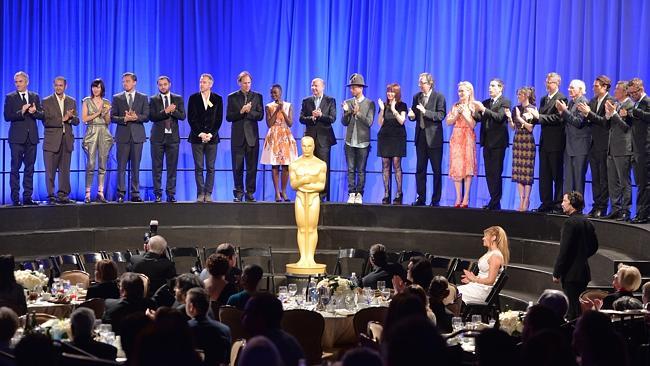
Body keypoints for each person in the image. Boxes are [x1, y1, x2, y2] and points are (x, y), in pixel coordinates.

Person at [552, 191, 599, 320]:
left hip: (571, 275)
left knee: (573, 312)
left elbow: (564, 251)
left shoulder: (569, 223)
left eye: (564, 201)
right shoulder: (587, 222)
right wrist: (581, 256)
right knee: (579, 308)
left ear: (572, 204)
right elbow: (594, 246)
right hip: (583, 273)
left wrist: (557, 273)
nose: (562, 204)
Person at [529, 72, 568, 213]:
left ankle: (558, 204)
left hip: (556, 142)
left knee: (557, 174)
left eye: (550, 82)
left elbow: (558, 118)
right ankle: (546, 202)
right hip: (544, 142)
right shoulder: (544, 99)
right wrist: (530, 117)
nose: (547, 84)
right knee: (544, 174)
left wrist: (538, 117)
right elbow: (540, 117)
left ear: (557, 83)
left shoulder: (562, 98)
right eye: (546, 81)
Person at [287, 136, 327, 273]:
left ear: (314, 146)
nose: (307, 149)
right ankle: (303, 257)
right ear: (301, 146)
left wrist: (305, 185)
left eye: (309, 146)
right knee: (302, 228)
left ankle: (311, 257)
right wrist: (305, 180)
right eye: (304, 146)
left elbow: (321, 185)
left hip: (314, 198)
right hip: (300, 197)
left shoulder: (321, 164)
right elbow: (293, 184)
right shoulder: (294, 164)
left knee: (312, 228)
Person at [3, 71, 44, 206]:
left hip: (31, 138)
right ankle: (15, 198)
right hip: (16, 139)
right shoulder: (10, 97)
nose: (18, 84)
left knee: (30, 168)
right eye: (16, 82)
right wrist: (22, 111)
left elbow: (41, 115)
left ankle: (27, 197)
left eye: (20, 81)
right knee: (15, 168)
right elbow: (7, 116)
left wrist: (34, 112)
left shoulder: (35, 96)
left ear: (27, 82)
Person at [408, 73, 447, 207]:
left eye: (422, 82)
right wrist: (412, 116)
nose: (420, 85)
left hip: (434, 139)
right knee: (420, 169)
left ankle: (435, 200)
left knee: (436, 170)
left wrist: (425, 112)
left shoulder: (439, 97)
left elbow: (441, 115)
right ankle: (421, 198)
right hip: (421, 138)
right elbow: (413, 114)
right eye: (419, 83)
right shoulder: (416, 97)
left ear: (430, 83)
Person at [111, 72, 149, 203]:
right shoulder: (117, 98)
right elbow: (112, 117)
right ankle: (120, 193)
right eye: (123, 81)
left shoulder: (143, 97)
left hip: (137, 137)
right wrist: (124, 119)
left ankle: (135, 193)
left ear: (134, 82)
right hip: (122, 137)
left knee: (135, 167)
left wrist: (136, 117)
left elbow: (146, 116)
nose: (125, 84)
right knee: (121, 167)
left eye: (127, 81)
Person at [579, 75, 614, 218]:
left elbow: (605, 122)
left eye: (596, 86)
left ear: (604, 87)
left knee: (603, 177)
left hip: (604, 144)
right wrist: (585, 115)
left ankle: (603, 206)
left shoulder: (610, 101)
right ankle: (595, 205)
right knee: (595, 177)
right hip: (592, 144)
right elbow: (590, 120)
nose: (594, 88)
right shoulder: (593, 101)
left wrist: (589, 114)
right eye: (593, 86)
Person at [473, 78, 511, 210]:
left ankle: (495, 201)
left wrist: (484, 109)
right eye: (490, 86)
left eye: (493, 86)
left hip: (498, 142)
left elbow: (500, 117)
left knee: (496, 172)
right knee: (489, 173)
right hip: (487, 142)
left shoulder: (505, 102)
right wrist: (474, 110)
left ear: (500, 88)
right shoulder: (485, 102)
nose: (490, 88)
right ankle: (494, 201)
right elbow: (478, 118)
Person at [226, 71, 264, 203]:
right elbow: (229, 117)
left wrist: (249, 112)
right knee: (237, 167)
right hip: (238, 138)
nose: (247, 85)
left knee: (252, 167)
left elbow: (260, 116)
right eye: (244, 83)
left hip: (252, 137)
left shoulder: (257, 96)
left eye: (249, 82)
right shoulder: (232, 97)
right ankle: (238, 192)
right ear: (239, 83)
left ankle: (250, 192)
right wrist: (241, 111)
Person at [40, 76, 78, 205]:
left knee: (65, 170)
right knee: (50, 171)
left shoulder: (71, 101)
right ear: (53, 86)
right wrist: (63, 118)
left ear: (65, 86)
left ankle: (63, 195)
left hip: (66, 141)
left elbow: (77, 121)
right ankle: (51, 196)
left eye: (61, 85)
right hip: (51, 141)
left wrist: (71, 118)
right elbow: (46, 121)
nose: (58, 87)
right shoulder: (46, 101)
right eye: (56, 85)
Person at [298, 78, 337, 202]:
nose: (314, 88)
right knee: (309, 168)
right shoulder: (306, 101)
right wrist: (312, 118)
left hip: (324, 139)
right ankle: (310, 193)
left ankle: (323, 195)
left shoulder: (330, 100)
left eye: (316, 86)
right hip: (310, 139)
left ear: (323, 87)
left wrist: (321, 116)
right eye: (312, 86)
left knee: (323, 168)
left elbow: (332, 118)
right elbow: (301, 118)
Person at [149, 76, 186, 203]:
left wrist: (173, 111)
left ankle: (171, 194)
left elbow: (182, 116)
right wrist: (165, 111)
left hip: (173, 138)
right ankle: (158, 194)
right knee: (157, 167)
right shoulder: (153, 99)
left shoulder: (178, 98)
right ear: (158, 86)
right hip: (157, 138)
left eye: (165, 84)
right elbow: (152, 117)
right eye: (160, 85)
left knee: (172, 168)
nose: (163, 87)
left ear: (169, 84)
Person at [187, 73, 223, 203]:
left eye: (204, 82)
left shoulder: (217, 99)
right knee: (199, 167)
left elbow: (218, 119)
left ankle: (208, 193)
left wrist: (211, 134)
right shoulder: (193, 98)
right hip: (197, 138)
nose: (201, 84)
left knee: (210, 167)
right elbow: (191, 118)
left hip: (212, 139)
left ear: (211, 84)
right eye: (201, 82)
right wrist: (200, 133)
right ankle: (200, 193)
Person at [242, 293, 304, 366]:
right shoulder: (291, 342)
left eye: (248, 312)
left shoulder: (260, 347)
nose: (243, 317)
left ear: (260, 317)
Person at [603, 81, 634, 221]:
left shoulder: (630, 105)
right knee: (613, 181)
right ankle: (615, 208)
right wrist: (609, 114)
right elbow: (608, 125)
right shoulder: (616, 104)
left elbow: (626, 127)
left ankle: (625, 210)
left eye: (617, 89)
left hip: (623, 149)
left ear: (625, 91)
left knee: (624, 182)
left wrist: (614, 113)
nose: (615, 91)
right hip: (612, 148)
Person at [260, 84, 298, 202]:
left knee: (286, 165)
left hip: (285, 135)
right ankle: (277, 193)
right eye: (272, 93)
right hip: (274, 136)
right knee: (275, 165)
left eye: (275, 93)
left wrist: (282, 110)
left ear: (280, 93)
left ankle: (284, 191)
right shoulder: (268, 106)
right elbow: (269, 124)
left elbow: (290, 123)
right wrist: (276, 110)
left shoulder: (288, 105)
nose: (273, 95)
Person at [342, 73, 375, 204]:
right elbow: (344, 122)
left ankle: (359, 193)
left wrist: (358, 113)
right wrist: (348, 111)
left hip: (363, 142)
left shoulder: (369, 103)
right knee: (350, 169)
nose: (352, 90)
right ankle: (351, 193)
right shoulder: (348, 102)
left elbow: (369, 122)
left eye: (354, 87)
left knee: (361, 169)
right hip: (349, 141)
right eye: (351, 88)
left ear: (361, 88)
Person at [446, 81, 478, 208]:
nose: (460, 93)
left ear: (469, 91)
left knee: (468, 168)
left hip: (468, 137)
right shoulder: (456, 105)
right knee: (457, 167)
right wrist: (457, 114)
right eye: (459, 91)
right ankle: (458, 196)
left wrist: (464, 114)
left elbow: (473, 124)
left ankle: (466, 197)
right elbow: (448, 121)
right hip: (457, 137)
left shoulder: (473, 106)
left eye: (463, 91)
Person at [457, 226, 509, 303]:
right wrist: (472, 280)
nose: (483, 238)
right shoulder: (490, 253)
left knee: (452, 293)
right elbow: (484, 275)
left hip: (483, 291)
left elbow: (490, 280)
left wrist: (474, 279)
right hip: (478, 287)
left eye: (485, 236)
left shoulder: (496, 256)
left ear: (493, 238)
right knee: (450, 291)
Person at [81, 78, 113, 203]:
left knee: (102, 163)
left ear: (102, 89)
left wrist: (105, 113)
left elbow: (108, 121)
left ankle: (100, 192)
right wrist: (98, 112)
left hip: (104, 133)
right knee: (90, 164)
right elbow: (84, 119)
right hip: (92, 132)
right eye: (94, 87)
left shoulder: (106, 102)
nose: (96, 89)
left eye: (98, 87)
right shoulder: (86, 101)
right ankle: (87, 194)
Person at [504, 86, 536, 211]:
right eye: (517, 95)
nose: (518, 97)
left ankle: (527, 199)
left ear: (526, 96)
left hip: (527, 141)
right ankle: (521, 198)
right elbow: (513, 127)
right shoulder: (515, 109)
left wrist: (519, 118)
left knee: (527, 172)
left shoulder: (532, 109)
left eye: (520, 95)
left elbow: (530, 128)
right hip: (518, 140)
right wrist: (510, 118)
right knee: (518, 171)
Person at [558, 79, 591, 195]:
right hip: (569, 145)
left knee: (578, 179)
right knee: (568, 179)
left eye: (572, 88)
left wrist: (564, 111)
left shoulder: (584, 102)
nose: (569, 89)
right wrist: (563, 112)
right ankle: (567, 206)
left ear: (580, 90)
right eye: (569, 87)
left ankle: (578, 207)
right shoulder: (572, 102)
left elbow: (578, 122)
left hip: (580, 146)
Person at [377, 83, 408, 204]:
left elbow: (402, 121)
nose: (389, 94)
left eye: (392, 92)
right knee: (385, 164)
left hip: (398, 137)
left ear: (397, 93)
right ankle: (386, 193)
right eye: (388, 91)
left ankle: (399, 193)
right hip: (385, 137)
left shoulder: (402, 105)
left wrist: (394, 109)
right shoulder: (383, 105)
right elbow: (380, 123)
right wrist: (382, 110)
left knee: (396, 163)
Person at [185, 288, 231, 366]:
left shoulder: (185, 329)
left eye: (186, 302)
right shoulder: (225, 329)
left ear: (191, 306)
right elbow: (226, 361)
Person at [627, 78, 650, 224]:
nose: (630, 96)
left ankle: (642, 214)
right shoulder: (637, 103)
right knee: (641, 182)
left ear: (640, 90)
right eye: (629, 94)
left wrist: (635, 112)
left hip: (645, 149)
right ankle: (643, 212)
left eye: (632, 93)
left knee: (644, 183)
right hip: (636, 149)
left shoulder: (647, 102)